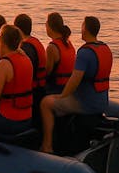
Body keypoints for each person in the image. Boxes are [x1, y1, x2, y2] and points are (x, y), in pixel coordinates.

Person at [40, 16, 113, 153]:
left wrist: (61, 96)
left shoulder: (85, 52)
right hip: (102, 101)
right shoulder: (105, 48)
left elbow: (74, 81)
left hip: (85, 103)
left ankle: (47, 146)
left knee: (46, 103)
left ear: (85, 29)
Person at [14, 14, 47, 121]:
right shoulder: (36, 42)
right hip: (40, 88)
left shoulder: (26, 48)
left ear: (17, 29)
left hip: (33, 93)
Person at [44, 12, 75, 95]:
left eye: (46, 25)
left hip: (56, 89)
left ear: (50, 27)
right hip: (69, 87)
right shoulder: (68, 43)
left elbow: (47, 72)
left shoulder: (52, 47)